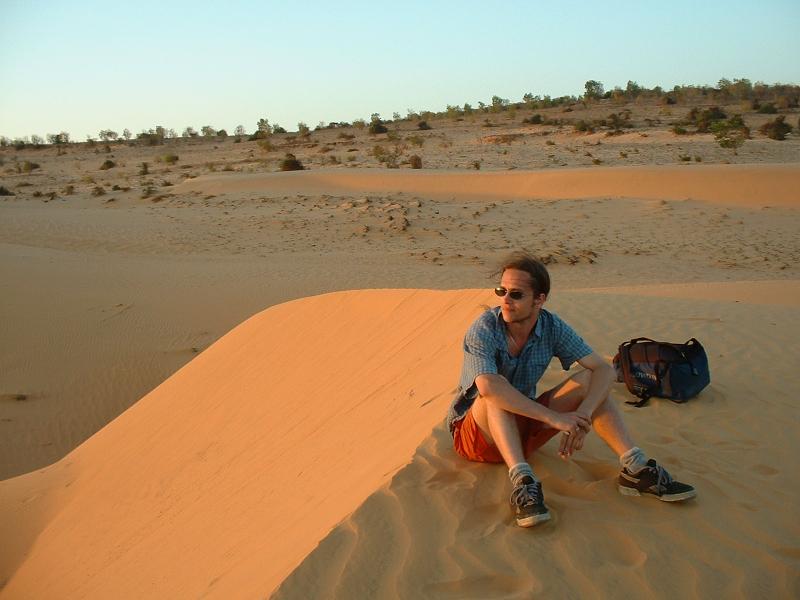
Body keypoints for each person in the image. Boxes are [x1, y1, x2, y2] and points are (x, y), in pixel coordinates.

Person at [446, 251, 696, 527]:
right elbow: (488, 388)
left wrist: (583, 415)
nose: (505, 299)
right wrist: (554, 418)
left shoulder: (551, 327)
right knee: (495, 391)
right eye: (501, 290)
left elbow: (603, 370)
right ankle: (523, 483)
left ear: (539, 299)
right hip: (477, 436)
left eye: (516, 294)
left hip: (524, 425)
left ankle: (634, 467)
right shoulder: (483, 329)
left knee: (590, 381)